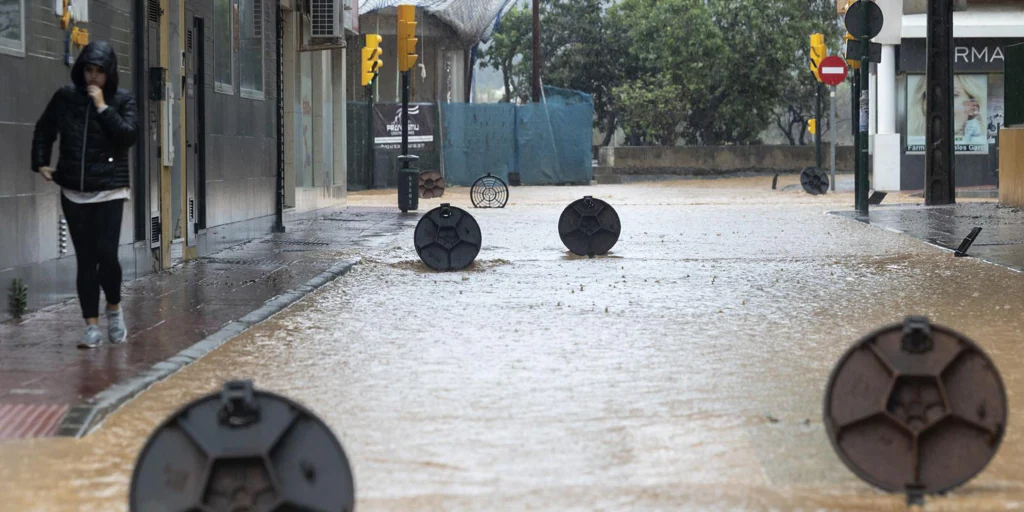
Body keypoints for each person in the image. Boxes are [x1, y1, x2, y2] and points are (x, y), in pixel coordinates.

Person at [31, 41, 138, 349]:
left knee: (107, 255)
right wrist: (41, 162)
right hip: (73, 191)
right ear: (81, 70)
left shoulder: (122, 100)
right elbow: (44, 128)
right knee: (86, 260)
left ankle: (114, 309)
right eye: (89, 70)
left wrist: (103, 107)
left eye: (99, 72)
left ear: (110, 75)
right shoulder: (66, 98)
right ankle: (91, 326)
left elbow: (128, 136)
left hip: (110, 190)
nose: (93, 78)